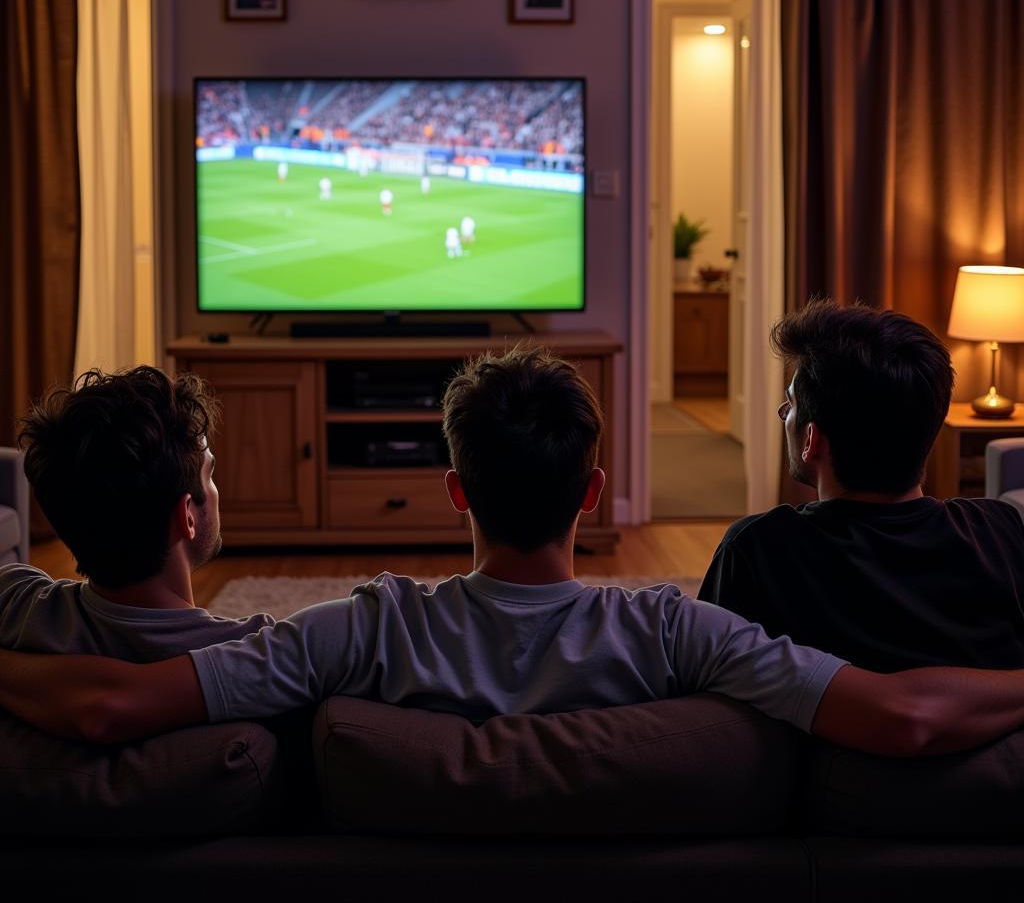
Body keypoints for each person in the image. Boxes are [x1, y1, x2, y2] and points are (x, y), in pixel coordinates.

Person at [3, 347, 1024, 758]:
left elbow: (112, 706)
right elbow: (903, 716)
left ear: (455, 491)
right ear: (591, 494)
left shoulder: (360, 627)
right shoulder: (678, 628)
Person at [698, 299, 1024, 672]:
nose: (781, 413)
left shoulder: (758, 549)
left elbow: (707, 680)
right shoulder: (1000, 529)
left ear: (811, 440)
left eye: (789, 403)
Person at [0, 367, 273, 663]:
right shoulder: (260, 653)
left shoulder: (13, 601)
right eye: (210, 474)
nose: (215, 489)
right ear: (188, 518)